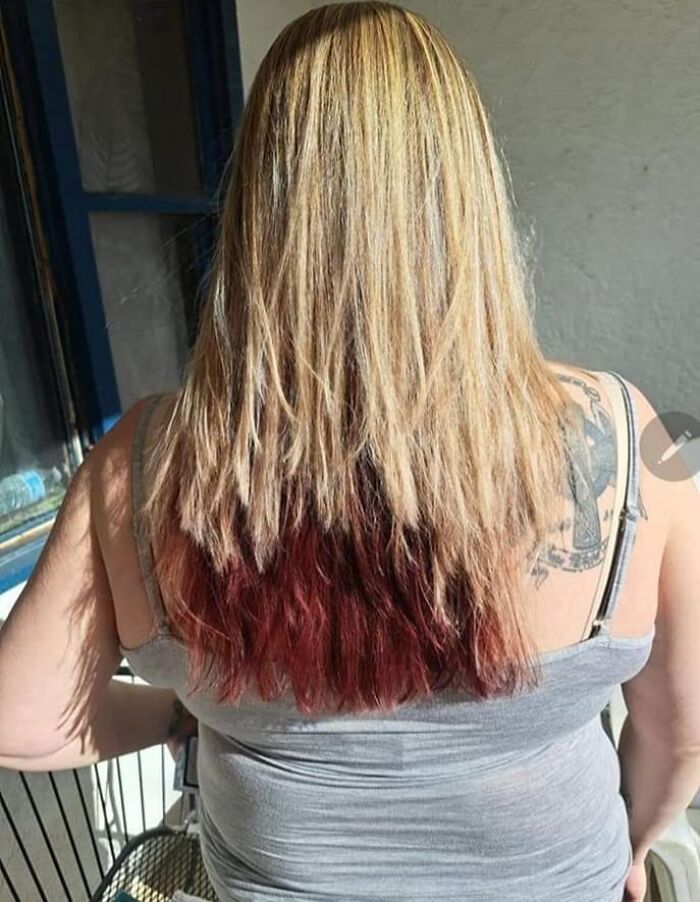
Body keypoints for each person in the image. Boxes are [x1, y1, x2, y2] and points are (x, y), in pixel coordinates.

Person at [0, 3, 698, 900]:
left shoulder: (145, 467)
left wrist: (182, 710)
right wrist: (636, 845)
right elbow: (679, 731)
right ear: (470, 199)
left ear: (256, 211)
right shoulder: (626, 438)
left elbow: (21, 719)